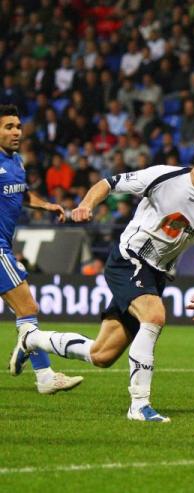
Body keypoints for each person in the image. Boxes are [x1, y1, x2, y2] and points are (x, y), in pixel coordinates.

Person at [12, 131, 194, 422]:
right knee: (154, 316)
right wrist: (86, 205)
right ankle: (139, 406)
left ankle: (32, 339)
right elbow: (109, 183)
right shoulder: (164, 178)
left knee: (101, 355)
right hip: (130, 259)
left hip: (157, 274)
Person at [2, 104, 83, 394]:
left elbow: (20, 193)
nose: (15, 132)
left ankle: (29, 353)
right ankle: (45, 376)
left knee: (25, 312)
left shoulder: (16, 162)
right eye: (8, 127)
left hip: (5, 247)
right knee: (28, 308)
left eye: (18, 126)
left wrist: (45, 204)